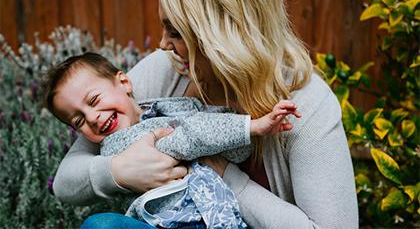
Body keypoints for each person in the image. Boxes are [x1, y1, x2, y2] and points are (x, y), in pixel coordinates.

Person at [52, 0, 358, 228]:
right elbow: (66, 181)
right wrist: (119, 171)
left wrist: (225, 176)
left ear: (223, 35)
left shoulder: (307, 104)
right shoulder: (166, 69)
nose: (162, 44)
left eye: (176, 33)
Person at [45, 52, 300, 228]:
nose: (92, 117)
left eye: (93, 101)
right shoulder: (119, 145)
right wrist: (252, 126)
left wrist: (236, 134)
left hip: (219, 216)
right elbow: (187, 138)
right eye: (78, 121)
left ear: (124, 82)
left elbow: (232, 152)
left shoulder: (165, 109)